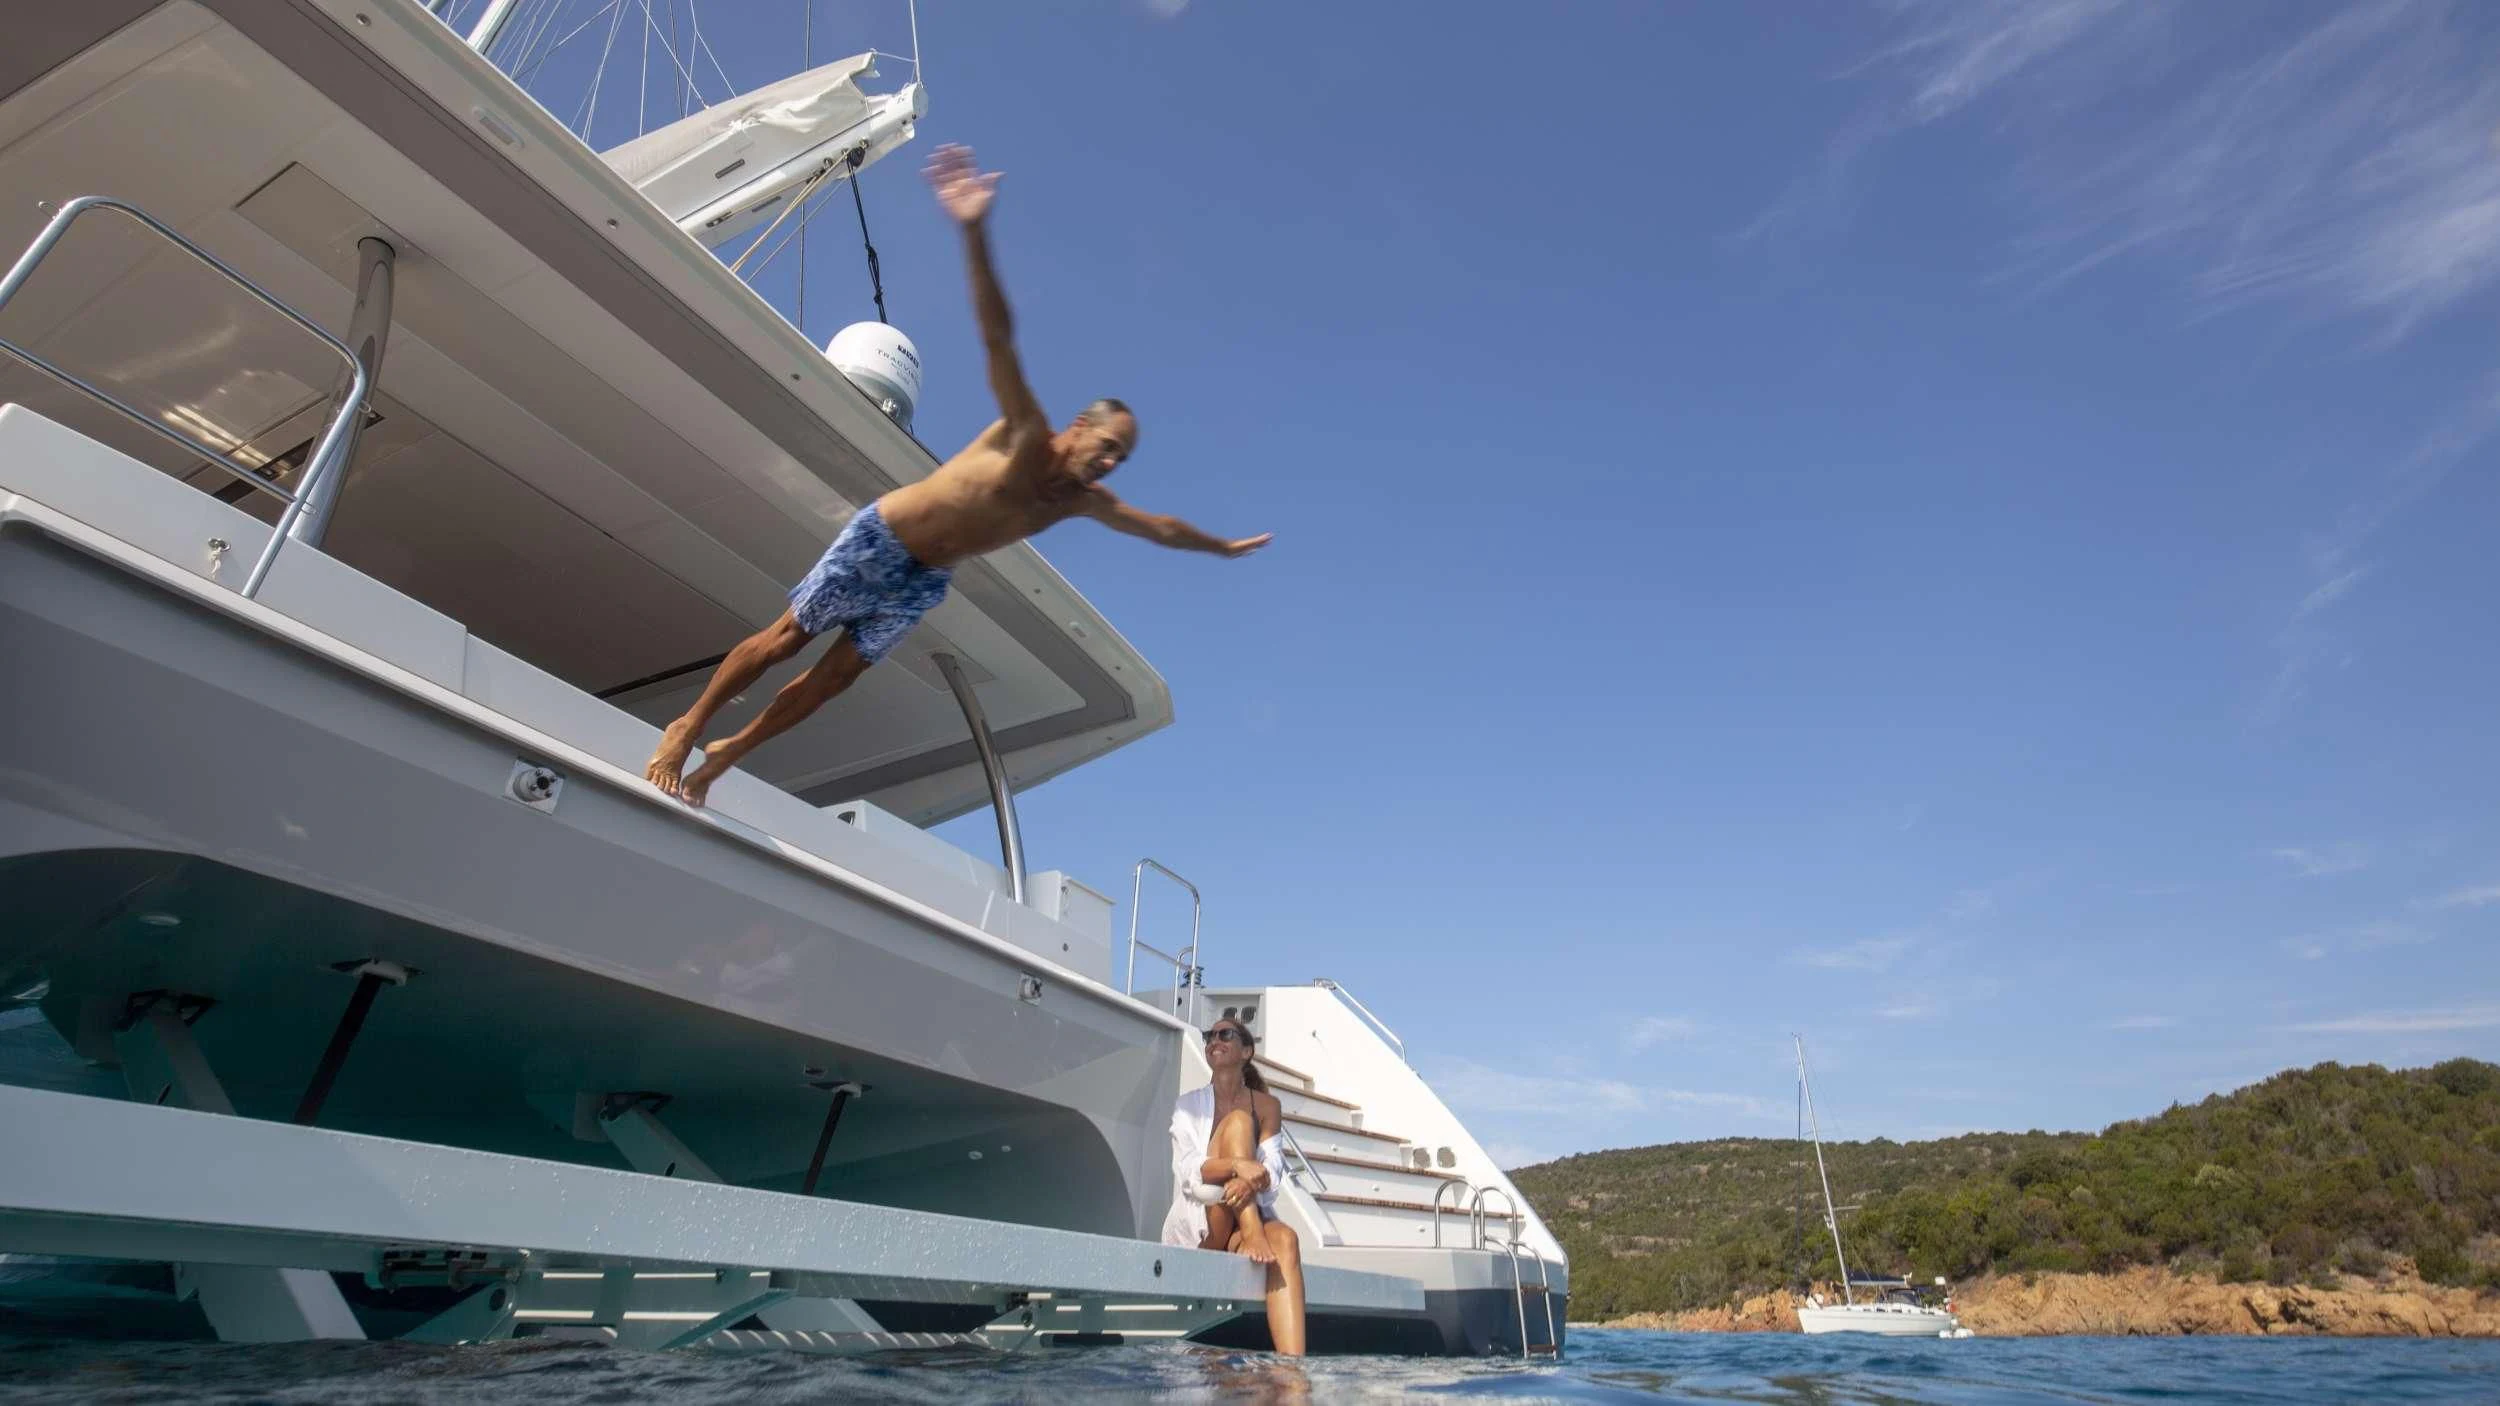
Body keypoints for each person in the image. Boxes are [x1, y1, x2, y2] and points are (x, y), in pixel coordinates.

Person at [644, 142, 1272, 805]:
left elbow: (1161, 528)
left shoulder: (1079, 501)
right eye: (1108, 447)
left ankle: (732, 753)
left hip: (924, 582)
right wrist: (973, 231)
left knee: (832, 684)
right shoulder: (1025, 433)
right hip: (884, 539)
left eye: (1122, 459)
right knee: (786, 639)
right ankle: (689, 727)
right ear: (1079, 427)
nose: (1110, 464)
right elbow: (998, 336)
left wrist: (1221, 547)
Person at [1163, 1016, 1307, 1356]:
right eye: (1209, 1035)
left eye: (1225, 1034)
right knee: (1240, 1122)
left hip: (1241, 1222)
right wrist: (1237, 1166)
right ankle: (1253, 1230)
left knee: (1286, 1239)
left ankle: (1294, 1374)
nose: (1214, 1039)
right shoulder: (1187, 1105)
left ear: (1246, 1051)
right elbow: (1188, 1171)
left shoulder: (1269, 1106)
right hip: (1207, 1221)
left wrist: (1247, 1180)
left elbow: (1270, 1172)